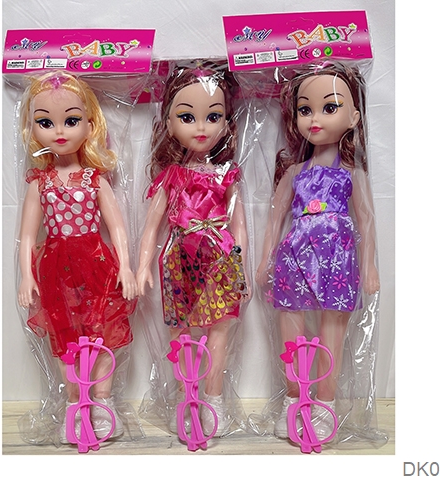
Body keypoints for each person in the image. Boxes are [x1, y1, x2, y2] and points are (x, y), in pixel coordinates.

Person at [256, 63, 380, 439]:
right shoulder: (295, 173)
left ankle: (325, 403)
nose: (314, 118)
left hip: (338, 259)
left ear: (353, 117)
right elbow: (275, 218)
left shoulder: (352, 172)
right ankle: (295, 398)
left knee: (332, 332)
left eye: (329, 107)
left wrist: (370, 267)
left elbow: (366, 220)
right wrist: (264, 261)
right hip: (294, 256)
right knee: (291, 330)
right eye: (305, 109)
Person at [16, 71, 137, 443]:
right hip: (55, 268)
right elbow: (27, 235)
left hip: (96, 263)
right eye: (45, 122)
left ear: (89, 124)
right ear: (33, 129)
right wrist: (26, 275)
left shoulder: (94, 179)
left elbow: (117, 228)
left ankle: (102, 400)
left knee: (101, 331)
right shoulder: (40, 183)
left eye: (71, 120)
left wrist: (127, 267)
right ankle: (74, 402)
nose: (59, 131)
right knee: (65, 336)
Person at [136, 62, 248, 437]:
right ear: (168, 124)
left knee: (220, 330)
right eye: (187, 117)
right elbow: (151, 227)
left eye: (212, 116)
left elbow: (239, 226)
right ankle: (186, 398)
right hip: (179, 258)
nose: (201, 127)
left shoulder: (227, 174)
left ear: (226, 124)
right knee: (180, 331)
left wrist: (241, 269)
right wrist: (142, 266)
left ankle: (213, 400)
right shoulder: (171, 175)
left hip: (220, 257)